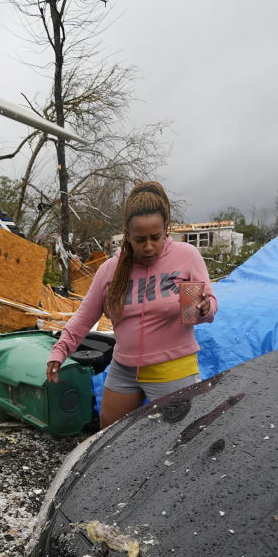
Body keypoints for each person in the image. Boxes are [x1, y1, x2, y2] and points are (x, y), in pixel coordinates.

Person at [46, 181, 217, 428]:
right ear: (127, 234)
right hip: (124, 370)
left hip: (173, 368)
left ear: (166, 229)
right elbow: (84, 316)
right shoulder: (110, 270)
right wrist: (60, 351)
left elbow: (210, 307)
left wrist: (204, 307)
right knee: (108, 438)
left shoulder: (187, 256)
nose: (148, 246)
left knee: (180, 440)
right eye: (140, 239)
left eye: (155, 237)